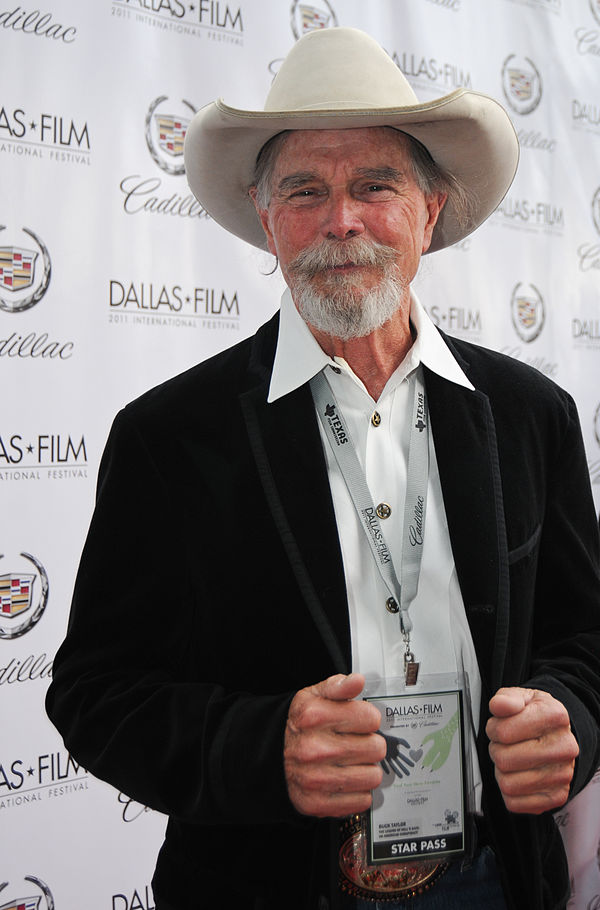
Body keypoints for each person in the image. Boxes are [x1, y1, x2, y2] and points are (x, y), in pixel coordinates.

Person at [46, 26, 600, 910]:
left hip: (496, 879)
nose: (340, 220)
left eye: (374, 185)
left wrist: (570, 714)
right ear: (269, 224)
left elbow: (584, 639)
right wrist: (264, 748)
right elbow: (94, 695)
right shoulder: (167, 435)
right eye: (305, 190)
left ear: (431, 210)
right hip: (265, 889)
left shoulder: (533, 416)